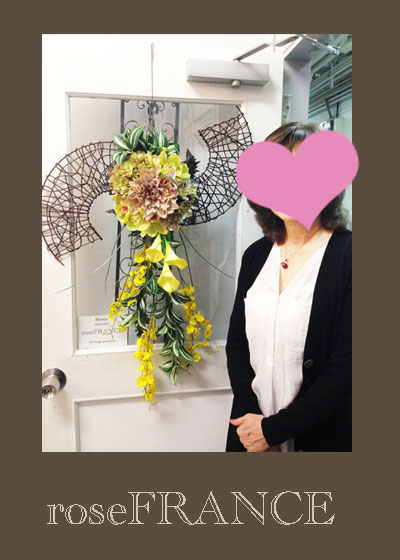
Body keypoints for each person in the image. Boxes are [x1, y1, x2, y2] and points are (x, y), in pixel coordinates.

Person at [226, 122, 352, 452]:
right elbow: (237, 344)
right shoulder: (256, 255)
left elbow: (347, 368)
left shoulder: (349, 256)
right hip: (250, 433)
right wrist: (252, 420)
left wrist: (273, 430)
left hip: (321, 437)